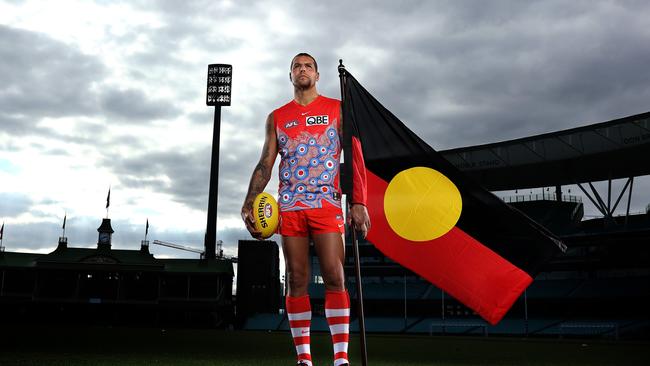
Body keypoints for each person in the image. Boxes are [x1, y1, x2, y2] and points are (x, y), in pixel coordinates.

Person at [241, 53, 370, 366]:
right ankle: (304, 359)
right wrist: (250, 198)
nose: (302, 70)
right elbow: (266, 162)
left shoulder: (337, 109)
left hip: (326, 201)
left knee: (334, 275)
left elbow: (354, 156)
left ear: (317, 74)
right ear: (290, 76)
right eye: (296, 66)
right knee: (297, 279)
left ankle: (341, 358)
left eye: (308, 66)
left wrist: (358, 201)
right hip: (290, 206)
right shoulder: (278, 116)